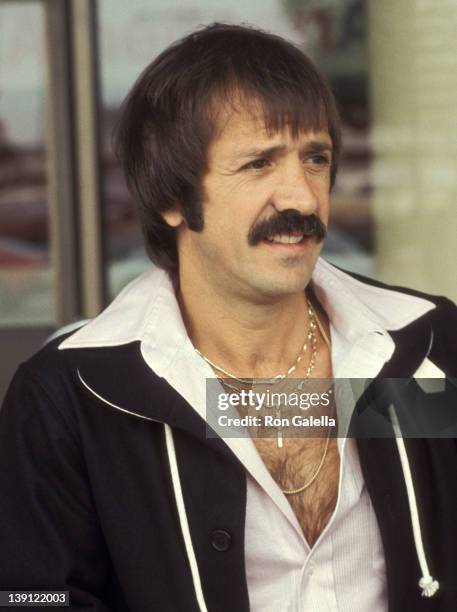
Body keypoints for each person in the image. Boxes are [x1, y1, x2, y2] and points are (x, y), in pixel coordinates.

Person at [1, 22, 457, 612]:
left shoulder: (422, 347)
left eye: (314, 159)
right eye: (259, 164)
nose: (301, 197)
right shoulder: (74, 399)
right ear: (172, 197)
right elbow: (33, 599)